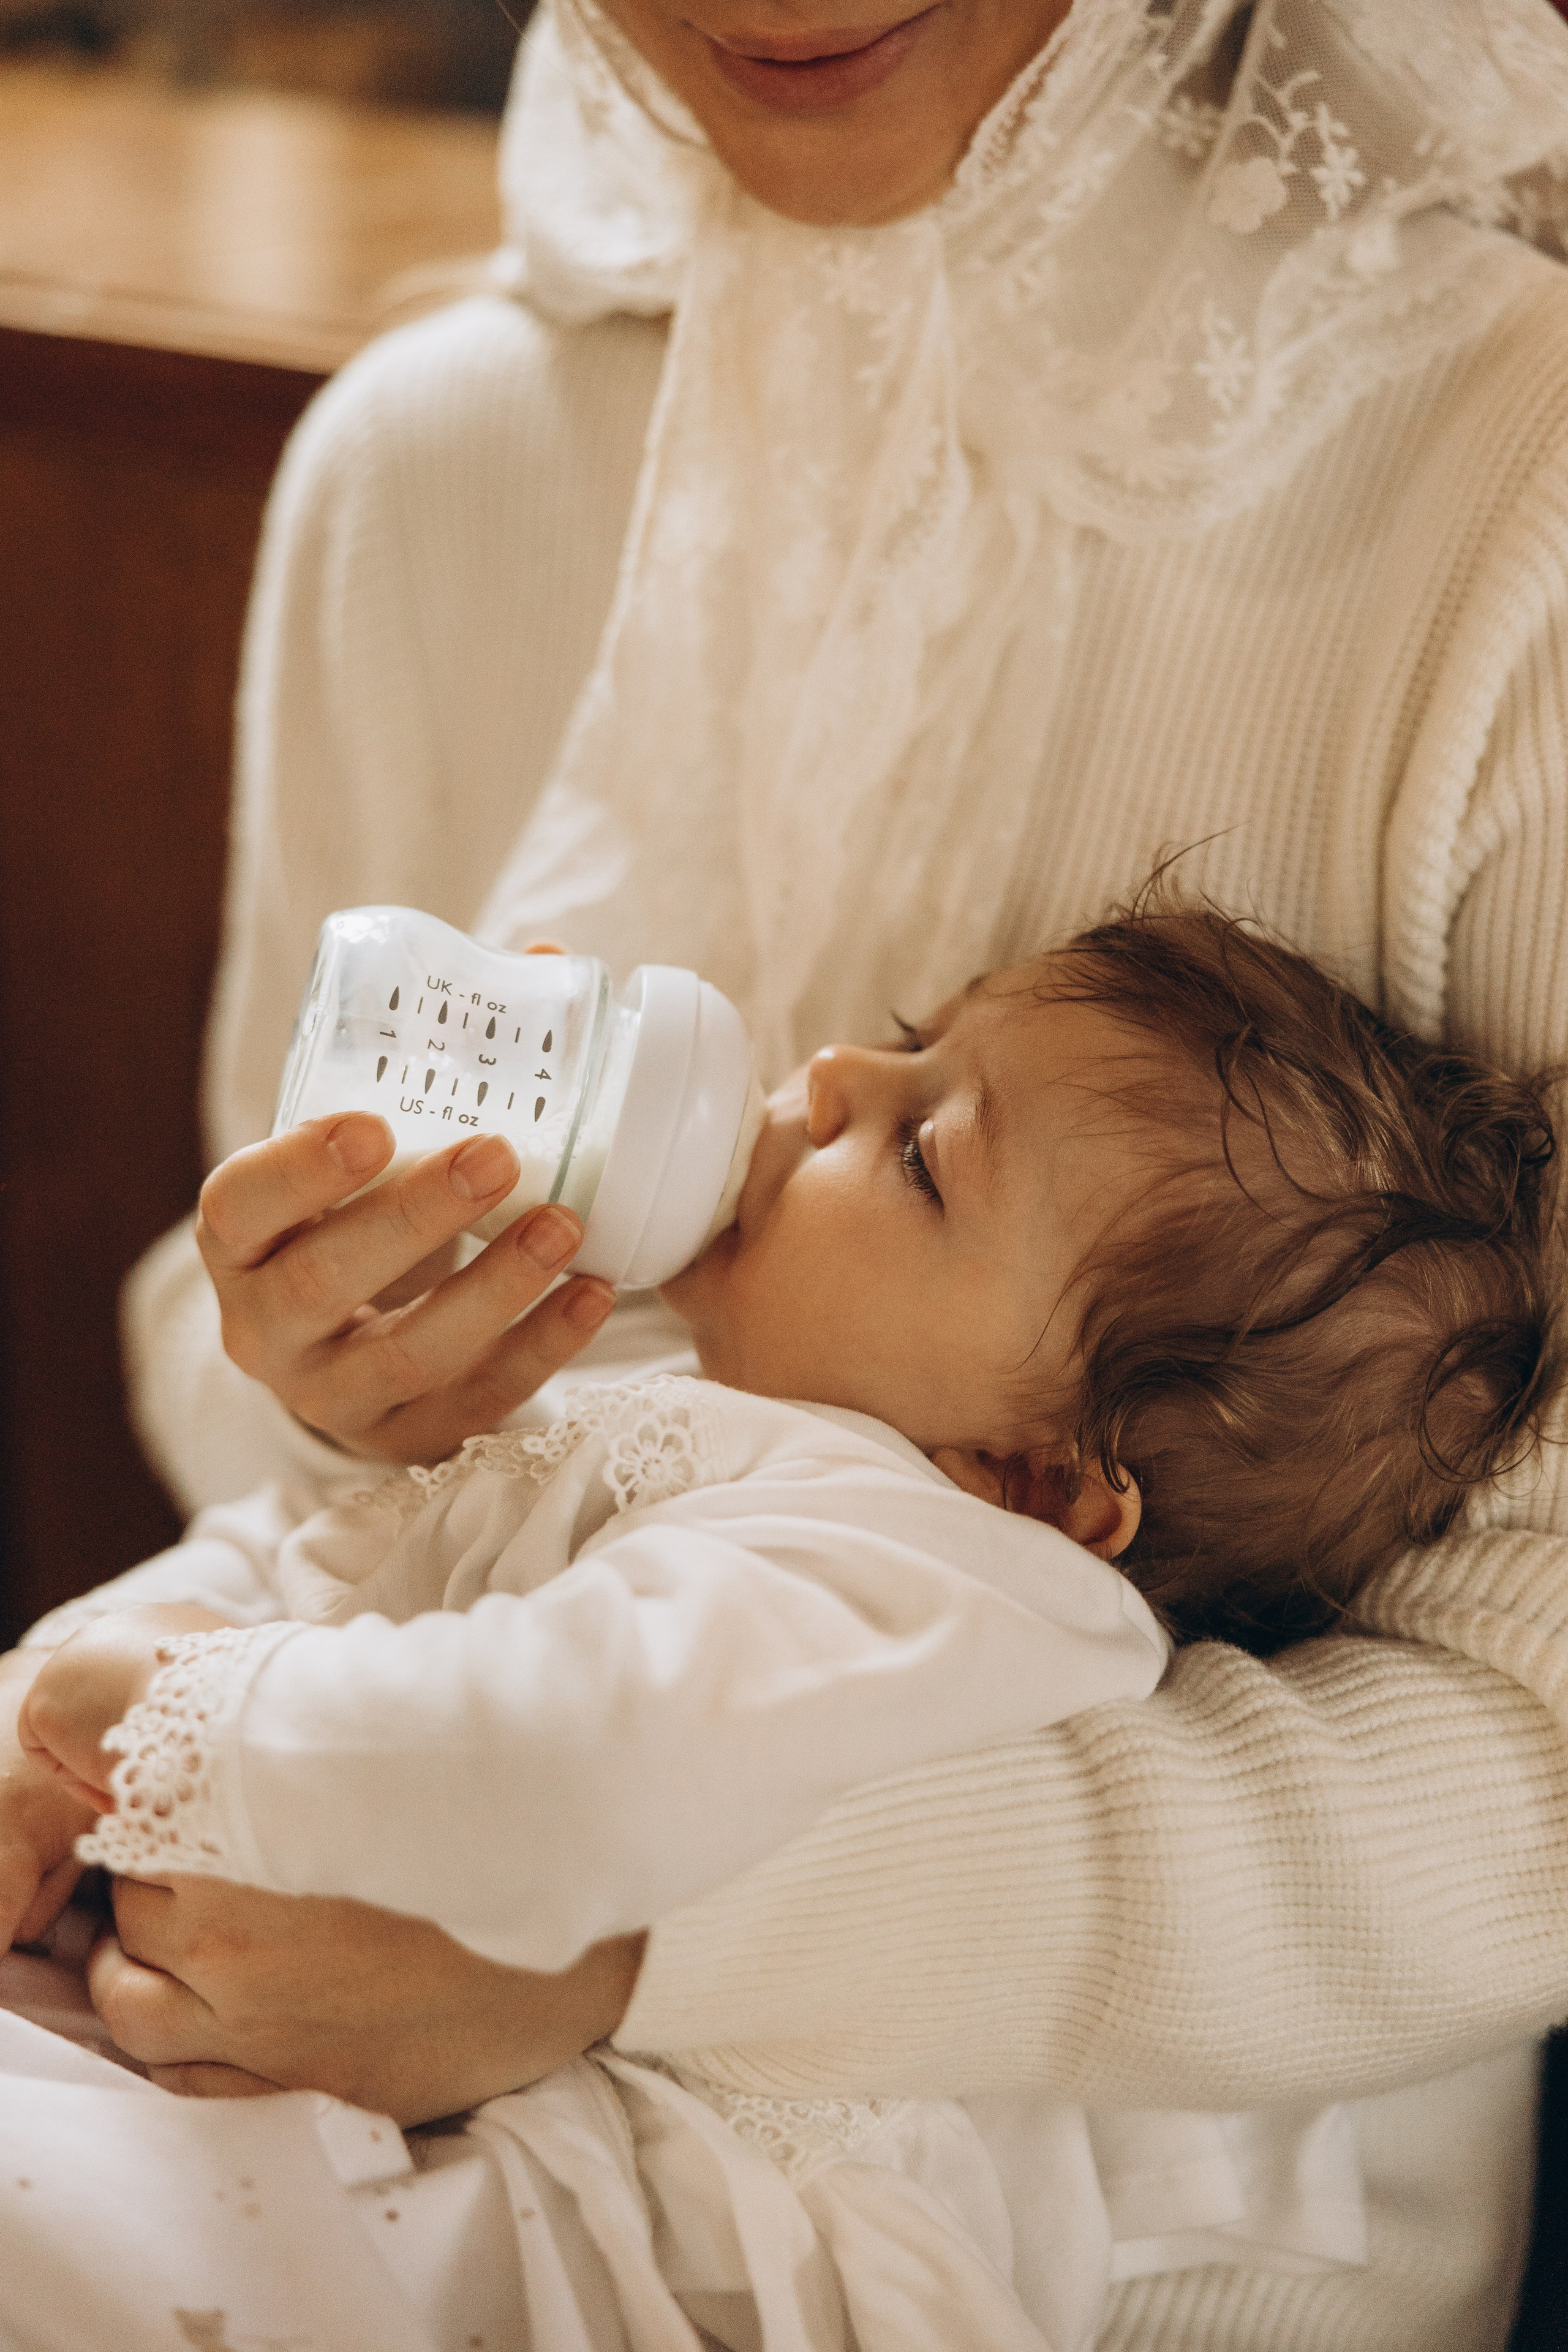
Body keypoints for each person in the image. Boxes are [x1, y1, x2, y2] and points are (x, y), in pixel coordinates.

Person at [6, 0, 1568, 2345]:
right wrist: (333, 1413)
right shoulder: (422, 473)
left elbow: (1536, 1773)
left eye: (927, 1129)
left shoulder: (1520, 501)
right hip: (283, 2035)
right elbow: (242, 1397)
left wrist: (632, 1943)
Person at [7, 904, 1560, 2350]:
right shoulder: (741, 1429)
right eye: (909, 1041)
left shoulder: (910, 1562)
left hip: (601, 2222)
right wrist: (73, 1717)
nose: (828, 1075)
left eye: (922, 1157)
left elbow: (572, 1748)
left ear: (1030, 1478)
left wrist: (187, 1724)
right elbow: (355, 1570)